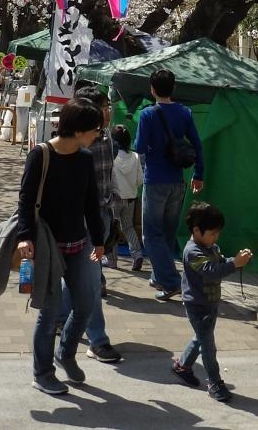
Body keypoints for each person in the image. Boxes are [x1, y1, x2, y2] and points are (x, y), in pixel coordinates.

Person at [15, 98, 106, 396]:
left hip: (80, 244)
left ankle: (65, 353)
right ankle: (42, 373)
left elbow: (91, 203)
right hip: (47, 247)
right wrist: (25, 236)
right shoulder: (41, 155)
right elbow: (26, 200)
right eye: (95, 130)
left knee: (85, 304)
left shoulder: (85, 158)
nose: (98, 135)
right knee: (50, 313)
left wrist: (99, 240)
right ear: (79, 130)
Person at [56, 87, 122, 365]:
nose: (107, 113)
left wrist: (113, 206)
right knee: (92, 281)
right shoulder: (74, 145)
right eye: (102, 108)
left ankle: (60, 317)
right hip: (79, 221)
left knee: (80, 277)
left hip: (101, 215)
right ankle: (97, 340)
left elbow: (108, 174)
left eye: (108, 107)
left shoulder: (105, 136)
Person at [133, 68, 205, 300]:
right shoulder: (184, 112)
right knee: (167, 233)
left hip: (155, 180)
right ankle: (159, 278)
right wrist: (198, 174)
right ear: (173, 88)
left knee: (151, 236)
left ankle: (172, 282)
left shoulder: (147, 114)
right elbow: (197, 144)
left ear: (152, 89)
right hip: (177, 181)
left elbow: (140, 147)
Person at [170, 202, 253, 403]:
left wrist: (236, 260)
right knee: (208, 345)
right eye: (213, 233)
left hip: (210, 302)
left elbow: (220, 263)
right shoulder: (192, 252)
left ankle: (182, 366)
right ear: (196, 230)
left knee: (201, 338)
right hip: (197, 305)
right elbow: (211, 271)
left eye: (218, 233)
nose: (216, 237)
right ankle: (215, 382)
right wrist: (235, 264)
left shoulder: (211, 247)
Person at [109, 124, 145, 271]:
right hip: (130, 198)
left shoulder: (111, 156)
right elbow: (140, 180)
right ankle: (137, 255)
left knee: (111, 228)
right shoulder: (135, 157)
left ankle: (112, 260)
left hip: (114, 198)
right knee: (128, 227)